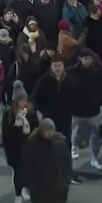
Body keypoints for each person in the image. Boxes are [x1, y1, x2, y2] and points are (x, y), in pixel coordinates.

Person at [32, 56, 82, 184]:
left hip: (65, 118)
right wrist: (43, 111)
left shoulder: (69, 79)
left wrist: (72, 109)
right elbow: (35, 99)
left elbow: (75, 96)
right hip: (50, 119)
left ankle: (68, 172)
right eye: (55, 66)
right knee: (48, 146)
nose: (58, 69)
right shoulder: (44, 80)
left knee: (66, 145)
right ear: (51, 67)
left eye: (60, 66)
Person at [21, 118, 73, 203]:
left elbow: (67, 163)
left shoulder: (60, 143)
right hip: (39, 187)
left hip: (57, 187)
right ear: (41, 130)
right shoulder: (32, 145)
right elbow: (26, 167)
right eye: (46, 131)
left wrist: (66, 181)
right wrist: (29, 185)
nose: (49, 133)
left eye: (51, 130)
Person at [1, 81, 40, 203]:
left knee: (28, 173)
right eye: (21, 101)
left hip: (29, 149)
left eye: (25, 100)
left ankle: (25, 190)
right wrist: (9, 156)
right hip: (16, 150)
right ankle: (18, 196)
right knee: (18, 174)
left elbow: (36, 129)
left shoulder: (31, 113)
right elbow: (6, 137)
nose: (24, 103)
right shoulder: (9, 115)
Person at [68, 49, 102, 168]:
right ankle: (74, 147)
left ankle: (94, 158)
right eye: (85, 59)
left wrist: (98, 102)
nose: (88, 61)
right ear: (80, 59)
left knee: (95, 134)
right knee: (75, 131)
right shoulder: (73, 72)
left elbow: (101, 87)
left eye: (89, 59)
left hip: (92, 108)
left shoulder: (96, 71)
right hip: (77, 109)